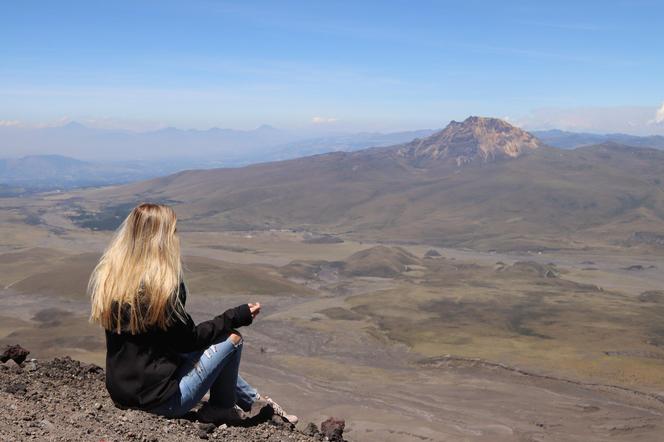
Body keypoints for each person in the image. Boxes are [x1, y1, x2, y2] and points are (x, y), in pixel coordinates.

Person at [87, 202, 298, 425]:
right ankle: (222, 408)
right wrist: (236, 315)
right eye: (173, 231)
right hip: (162, 403)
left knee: (194, 354)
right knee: (231, 339)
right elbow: (190, 341)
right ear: (161, 238)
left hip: (121, 394)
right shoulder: (161, 290)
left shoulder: (112, 282)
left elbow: (173, 343)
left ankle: (256, 400)